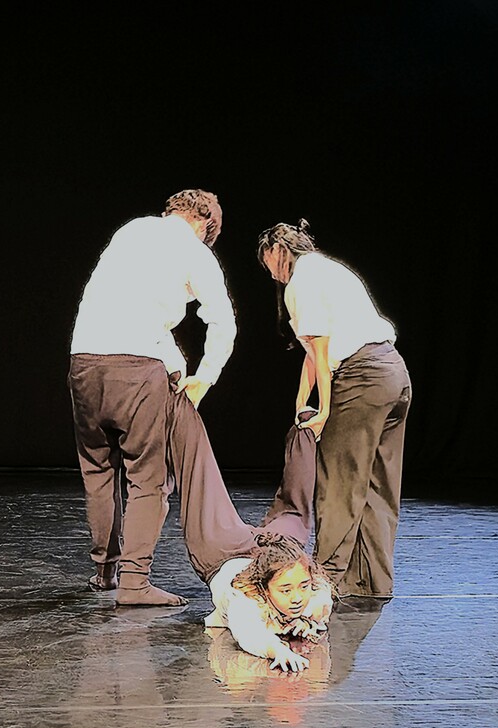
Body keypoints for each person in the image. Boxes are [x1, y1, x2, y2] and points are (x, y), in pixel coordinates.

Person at [68, 189, 237, 606]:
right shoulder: (195, 251)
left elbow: (128, 304)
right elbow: (223, 320)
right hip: (136, 370)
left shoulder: (130, 231)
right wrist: (204, 376)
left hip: (83, 361)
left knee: (98, 471)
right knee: (149, 478)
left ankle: (104, 572)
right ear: (204, 225)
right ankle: (134, 583)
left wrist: (174, 358)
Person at [257, 219, 411, 600]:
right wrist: (300, 401)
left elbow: (322, 349)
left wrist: (323, 408)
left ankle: (322, 583)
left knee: (339, 484)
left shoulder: (301, 280)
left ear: (279, 251)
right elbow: (312, 352)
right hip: (394, 373)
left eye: (268, 263)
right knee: (378, 486)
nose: (270, 274)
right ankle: (371, 582)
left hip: (361, 377)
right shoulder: (331, 269)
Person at [169, 393, 334, 672]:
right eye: (286, 590)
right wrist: (276, 649)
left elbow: (321, 594)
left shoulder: (311, 593)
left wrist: (305, 619)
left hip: (243, 554)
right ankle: (179, 402)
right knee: (206, 484)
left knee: (297, 512)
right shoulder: (245, 598)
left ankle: (306, 427)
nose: (297, 598)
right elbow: (249, 634)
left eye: (302, 586)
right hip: (229, 552)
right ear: (265, 588)